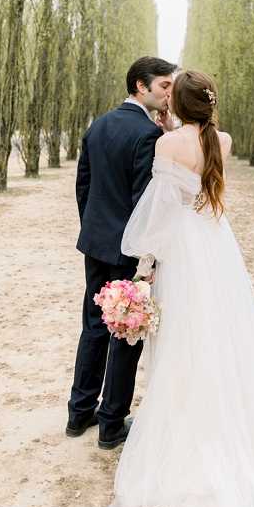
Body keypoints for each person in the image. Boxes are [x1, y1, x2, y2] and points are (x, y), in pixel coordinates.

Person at [107, 69, 254, 507]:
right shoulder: (222, 141)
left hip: (184, 250)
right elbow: (199, 169)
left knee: (184, 336)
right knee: (224, 329)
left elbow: (160, 212)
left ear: (176, 106)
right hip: (216, 241)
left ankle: (189, 439)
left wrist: (148, 263)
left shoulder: (166, 146)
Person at [66, 56, 178, 449]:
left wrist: (95, 230)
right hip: (127, 250)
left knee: (94, 326)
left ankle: (79, 413)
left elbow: (84, 186)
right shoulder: (148, 135)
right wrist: (147, 257)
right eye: (164, 85)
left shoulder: (97, 125)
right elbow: (142, 201)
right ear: (139, 87)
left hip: (96, 243)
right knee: (127, 335)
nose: (169, 93)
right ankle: (111, 423)